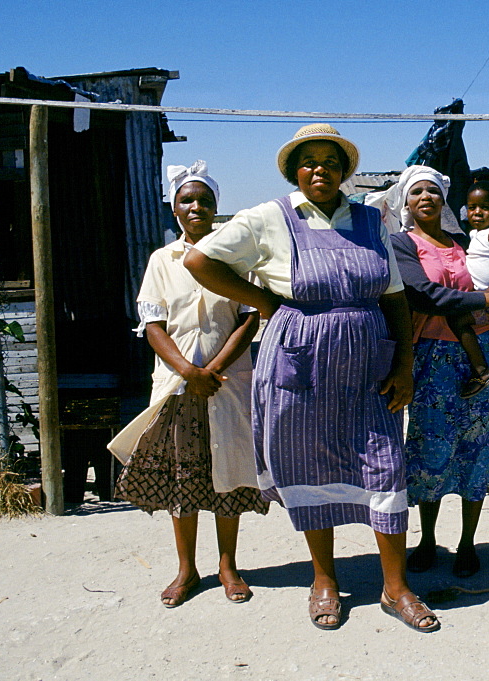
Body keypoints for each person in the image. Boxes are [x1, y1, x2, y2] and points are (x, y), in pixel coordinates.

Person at [184, 124, 439, 633]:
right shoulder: (269, 218)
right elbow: (199, 259)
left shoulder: (371, 221)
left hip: (369, 366)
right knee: (310, 465)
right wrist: (265, 302)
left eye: (330, 161)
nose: (319, 169)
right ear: (294, 170)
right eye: (309, 161)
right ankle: (324, 580)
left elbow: (393, 297)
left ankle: (396, 587)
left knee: (385, 471)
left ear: (345, 172)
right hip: (300, 360)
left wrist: (405, 366)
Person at [109, 161, 267, 608]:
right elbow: (153, 323)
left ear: (216, 208)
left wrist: (213, 369)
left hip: (228, 383)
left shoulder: (235, 259)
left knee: (229, 474)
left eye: (205, 200)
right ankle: (186, 569)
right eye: (187, 200)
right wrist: (188, 372)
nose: (196, 206)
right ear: (174, 208)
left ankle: (228, 566)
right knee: (184, 477)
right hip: (178, 387)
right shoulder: (162, 261)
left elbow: (249, 317)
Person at [389, 165, 489, 580]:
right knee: (432, 447)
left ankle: (467, 542)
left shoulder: (465, 242)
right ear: (406, 204)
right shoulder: (401, 244)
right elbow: (424, 295)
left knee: (477, 447)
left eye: (433, 190)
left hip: (483, 352)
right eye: (416, 193)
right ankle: (428, 539)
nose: (426, 197)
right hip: (432, 357)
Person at [446, 181, 489, 398]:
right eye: (472, 207)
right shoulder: (475, 234)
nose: (477, 212)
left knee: (457, 320)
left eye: (485, 207)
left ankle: (481, 370)